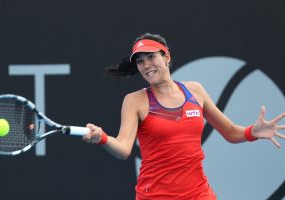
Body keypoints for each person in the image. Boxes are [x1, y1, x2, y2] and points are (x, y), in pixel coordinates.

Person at [83, 33, 285, 199]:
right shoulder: (135, 101)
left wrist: (253, 132)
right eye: (140, 61)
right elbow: (123, 149)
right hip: (155, 196)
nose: (146, 65)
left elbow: (230, 132)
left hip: (199, 194)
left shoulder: (195, 91)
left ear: (167, 57)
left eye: (151, 57)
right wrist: (102, 137)